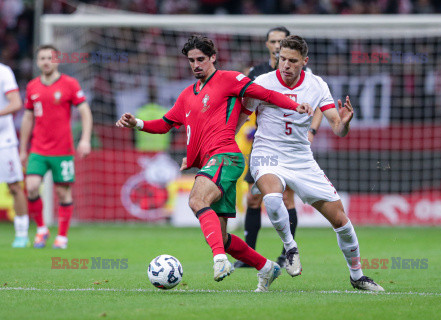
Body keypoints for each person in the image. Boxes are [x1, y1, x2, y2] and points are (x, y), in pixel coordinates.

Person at [116, 34, 313, 291]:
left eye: (201, 59)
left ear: (212, 58)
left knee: (196, 200)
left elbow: (264, 93)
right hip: (211, 162)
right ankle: (266, 267)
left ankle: (219, 260)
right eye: (191, 60)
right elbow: (164, 124)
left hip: (226, 157)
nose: (196, 64)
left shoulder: (229, 79)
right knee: (221, 237)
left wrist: (293, 106)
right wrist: (138, 124)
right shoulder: (187, 95)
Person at [242, 35, 384, 291]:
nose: (285, 65)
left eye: (292, 61)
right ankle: (290, 248)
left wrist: (345, 121)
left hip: (300, 157)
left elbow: (338, 128)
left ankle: (357, 276)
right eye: (282, 59)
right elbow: (241, 117)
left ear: (304, 62)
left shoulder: (317, 85)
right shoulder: (262, 82)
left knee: (341, 220)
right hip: (267, 152)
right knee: (272, 197)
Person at [235, 26, 307, 269]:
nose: (277, 45)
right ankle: (248, 255)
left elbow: (314, 106)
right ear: (267, 44)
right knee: (253, 198)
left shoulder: (301, 73)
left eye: (281, 41)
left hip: (290, 147)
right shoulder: (256, 72)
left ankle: (287, 253)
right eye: (273, 41)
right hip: (263, 147)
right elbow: (244, 103)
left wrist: (312, 131)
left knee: (286, 198)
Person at [20, 44, 93, 249]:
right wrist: (22, 149)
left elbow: (85, 112)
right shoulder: (32, 86)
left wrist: (85, 139)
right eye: (41, 58)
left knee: (63, 193)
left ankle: (62, 237)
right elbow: (27, 118)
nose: (45, 62)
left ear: (57, 60)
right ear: (37, 62)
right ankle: (42, 230)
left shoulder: (70, 84)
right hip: (38, 149)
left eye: (49, 58)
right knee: (32, 186)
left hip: (62, 151)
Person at [0, 62, 30, 248]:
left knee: (14, 186)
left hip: (4, 141)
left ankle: (21, 234)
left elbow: (16, 103)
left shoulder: (3, 72)